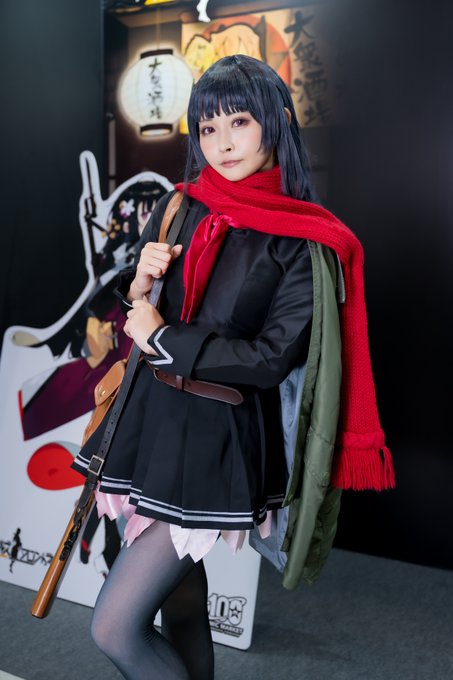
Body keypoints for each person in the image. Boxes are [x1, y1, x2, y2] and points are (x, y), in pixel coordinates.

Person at [71, 55, 394, 680]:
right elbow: (140, 318)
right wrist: (138, 288)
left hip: (212, 443)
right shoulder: (181, 207)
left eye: (239, 122)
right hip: (150, 426)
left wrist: (163, 336)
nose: (221, 144)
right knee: (181, 606)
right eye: (208, 128)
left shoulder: (306, 240)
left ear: (276, 122)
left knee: (113, 627)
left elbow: (272, 359)